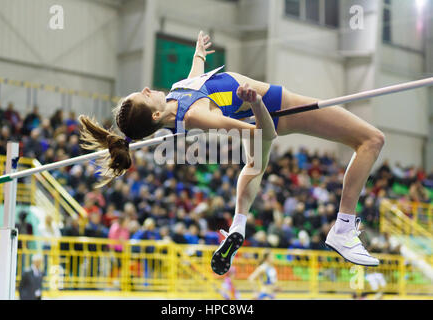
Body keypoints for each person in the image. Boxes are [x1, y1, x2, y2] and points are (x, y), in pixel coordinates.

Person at [78, 30, 384, 272]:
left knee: (255, 167)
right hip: (278, 110)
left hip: (260, 110)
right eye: (144, 96)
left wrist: (199, 52)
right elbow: (265, 132)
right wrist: (256, 102)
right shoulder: (197, 115)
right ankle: (343, 228)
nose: (146, 89)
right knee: (371, 140)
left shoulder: (176, 93)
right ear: (155, 116)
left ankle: (238, 225)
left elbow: (195, 78)